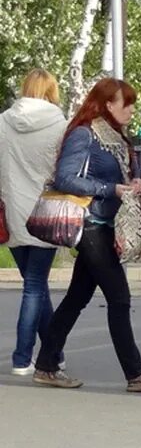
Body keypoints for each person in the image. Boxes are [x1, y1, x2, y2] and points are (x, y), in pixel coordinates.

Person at [33, 78, 141, 392]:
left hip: (108, 225)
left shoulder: (119, 139)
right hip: (91, 224)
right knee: (119, 299)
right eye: (128, 103)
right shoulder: (84, 134)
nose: (132, 110)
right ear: (109, 104)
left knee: (76, 299)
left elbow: (127, 173)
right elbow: (65, 178)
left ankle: (46, 365)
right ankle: (136, 374)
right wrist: (110, 189)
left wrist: (137, 181)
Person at [0, 69, 67, 375]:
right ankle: (22, 358)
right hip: (45, 213)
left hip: (13, 212)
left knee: (36, 287)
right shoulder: (60, 125)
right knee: (34, 287)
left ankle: (54, 353)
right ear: (51, 92)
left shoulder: (3, 122)